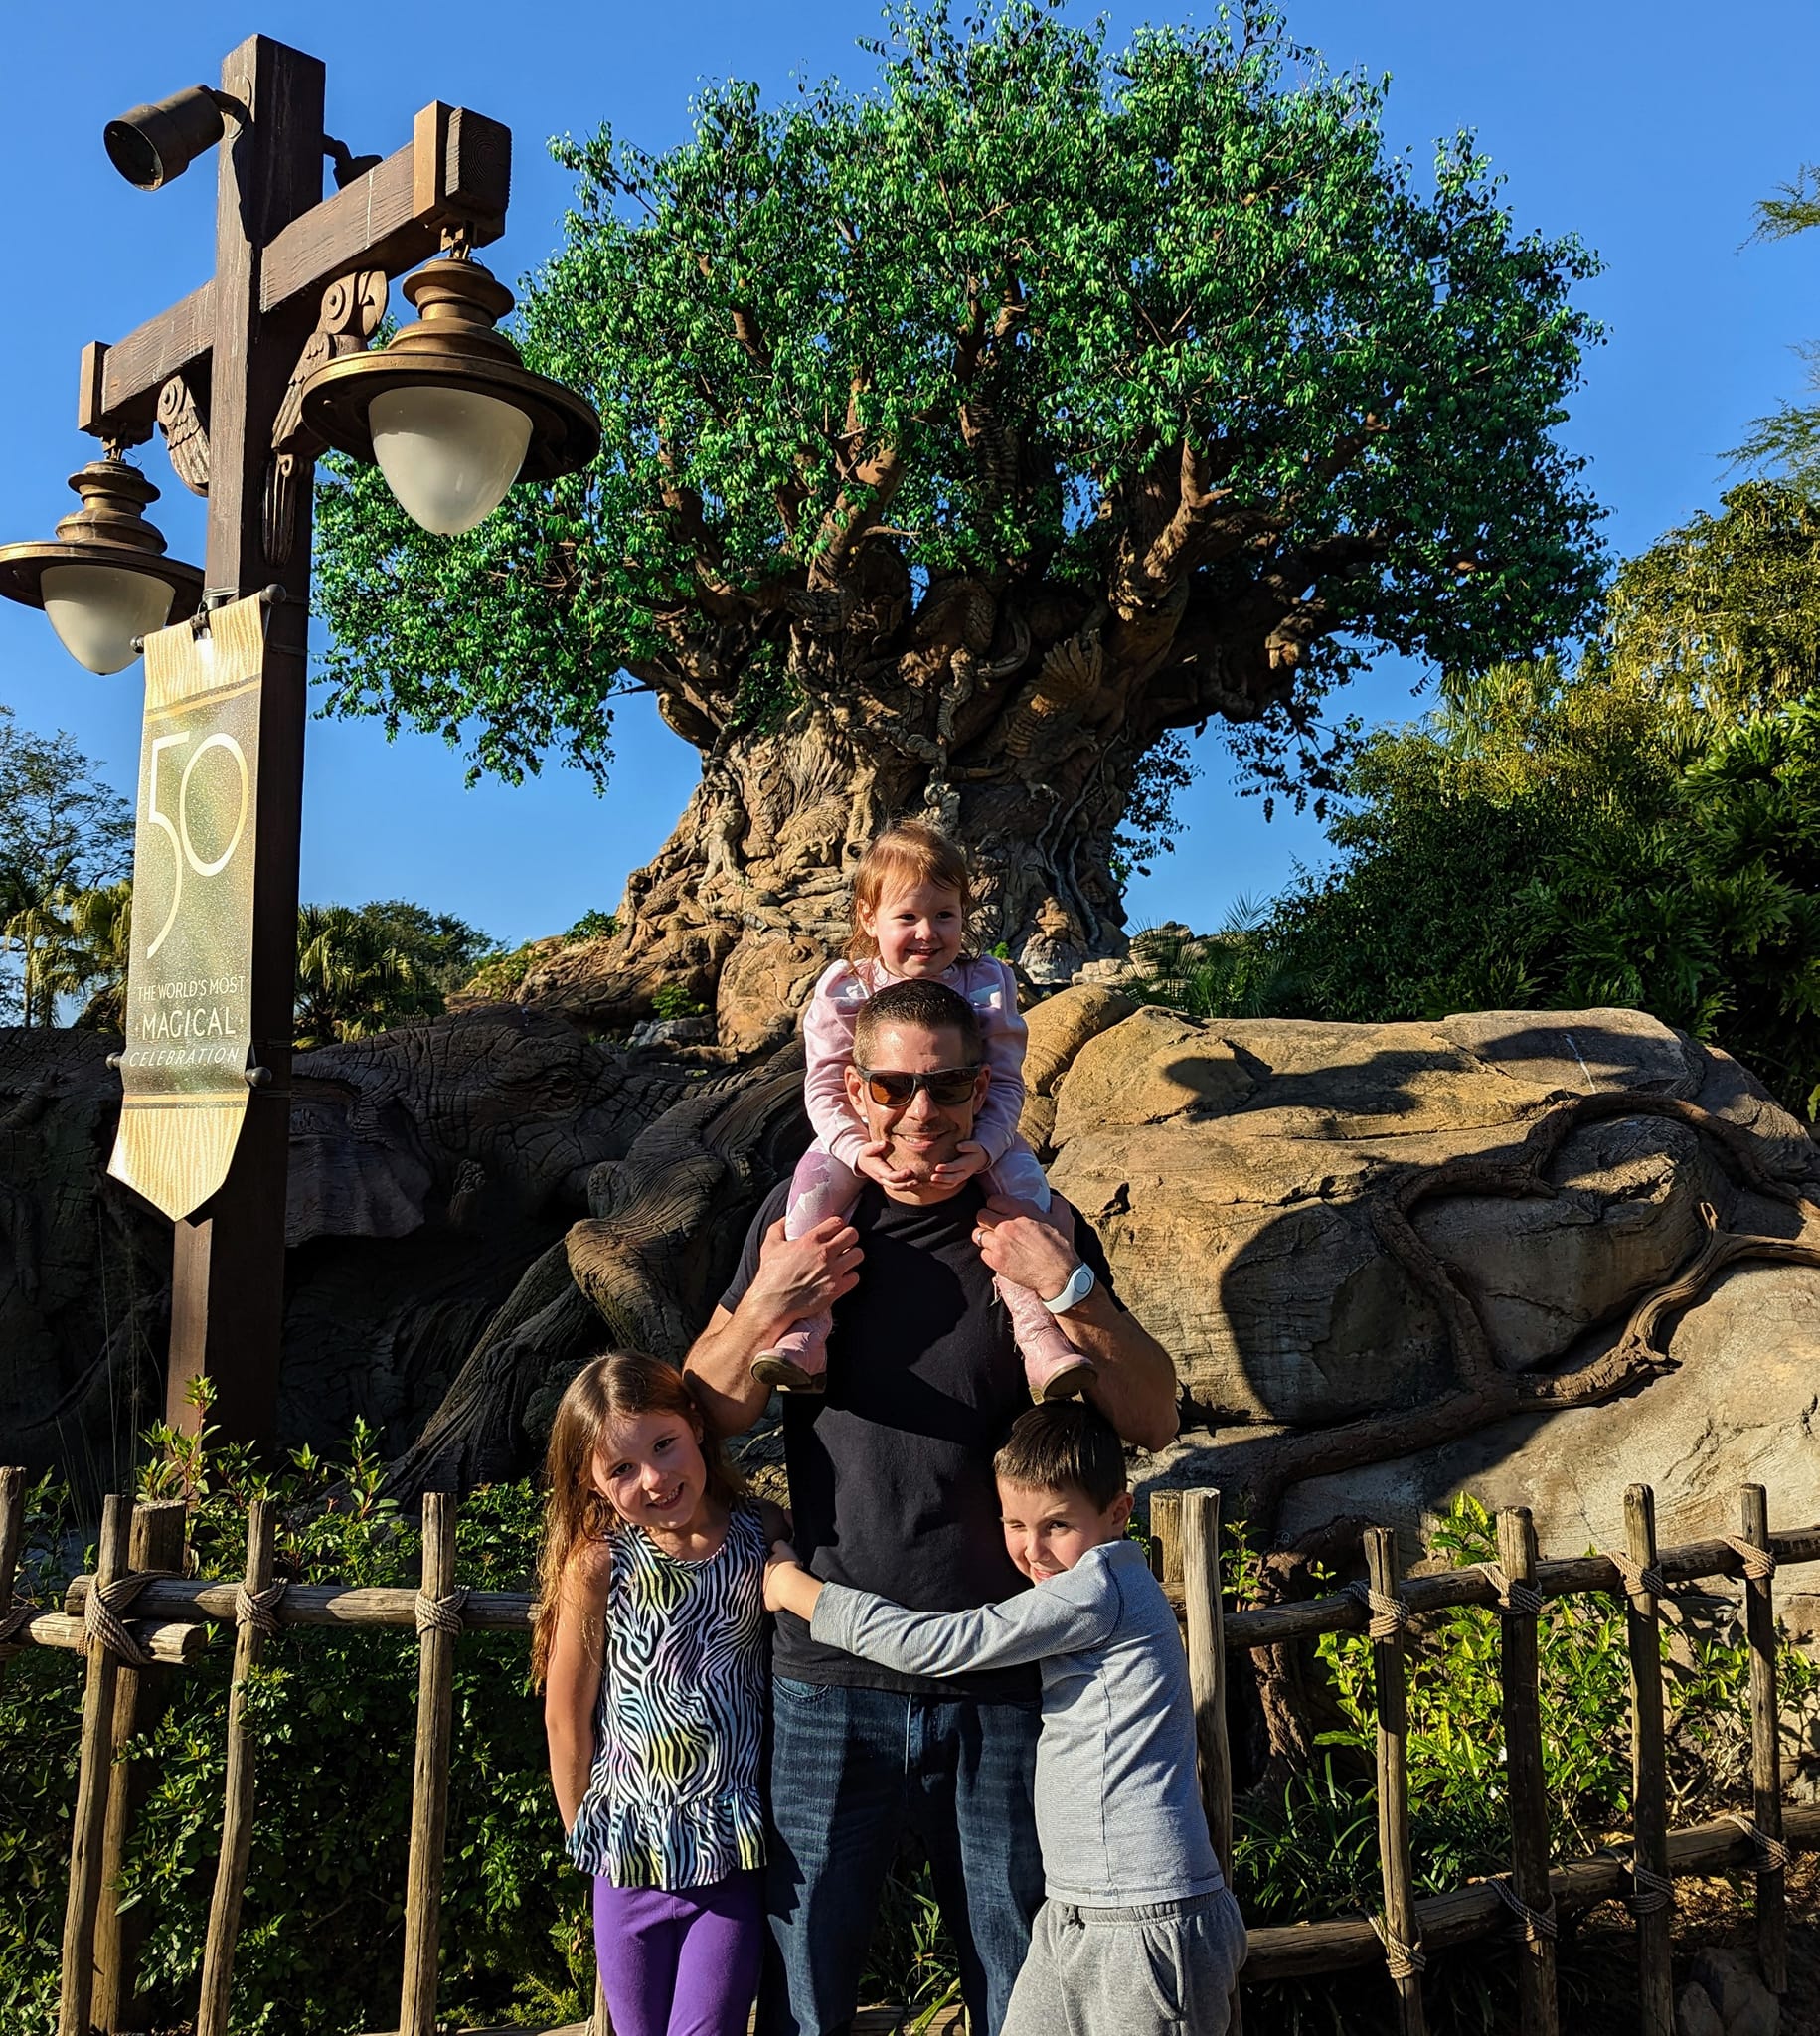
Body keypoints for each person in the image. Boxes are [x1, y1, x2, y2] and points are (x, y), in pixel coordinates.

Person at [686, 975, 1180, 2036]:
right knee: (805, 1987)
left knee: (1019, 1981)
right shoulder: (809, 1214)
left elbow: (1153, 1413)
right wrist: (775, 1296)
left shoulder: (1031, 1216)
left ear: (983, 1084)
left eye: (947, 1084)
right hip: (829, 1671)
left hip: (1001, 1667)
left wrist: (1066, 1285)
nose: (920, 1111)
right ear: (852, 1086)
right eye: (893, 1084)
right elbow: (710, 1408)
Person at [764, 1400, 1246, 2036]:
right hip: (1073, 1911)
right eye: (1014, 1524)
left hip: (1145, 1914)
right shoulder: (1075, 1591)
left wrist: (795, 1589)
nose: (1033, 1549)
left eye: (1056, 1525)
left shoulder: (1100, 1588)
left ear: (1118, 1513)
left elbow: (934, 1645)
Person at [750, 819, 1090, 1403]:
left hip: (976, 1131)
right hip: (858, 1136)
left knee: (1024, 1193)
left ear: (965, 913)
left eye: (945, 915)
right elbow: (826, 1085)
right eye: (907, 917)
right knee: (808, 1193)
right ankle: (808, 1331)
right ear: (868, 918)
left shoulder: (985, 984)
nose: (927, 933)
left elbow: (1004, 1082)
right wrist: (856, 1150)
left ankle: (1040, 1336)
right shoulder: (846, 987)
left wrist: (984, 1146)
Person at [535, 1350, 776, 2036]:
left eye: (663, 1445)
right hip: (627, 1861)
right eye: (622, 1469)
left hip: (728, 1859)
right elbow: (566, 1714)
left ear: (696, 1426)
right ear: (592, 1485)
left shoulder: (760, 1537)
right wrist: (584, 1829)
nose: (655, 1477)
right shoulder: (601, 1564)